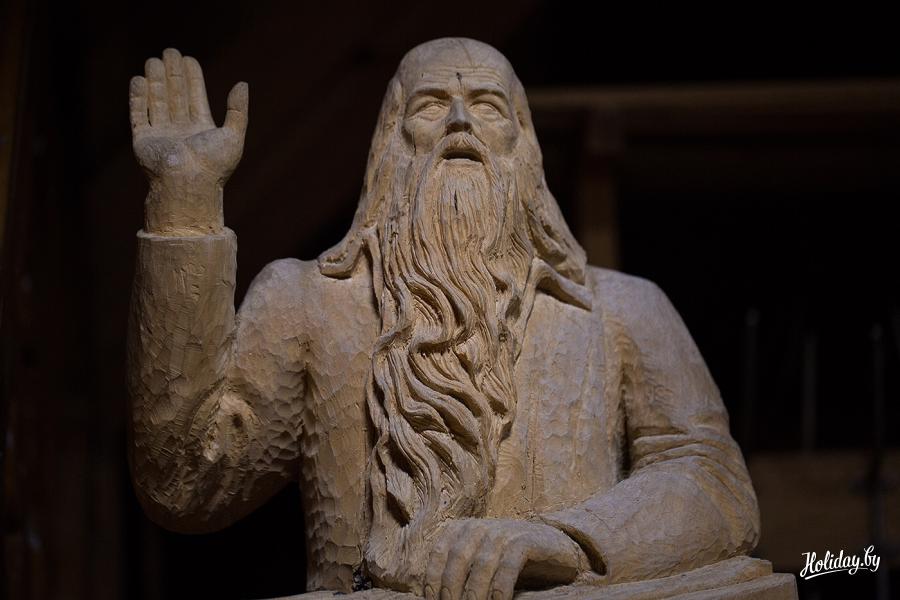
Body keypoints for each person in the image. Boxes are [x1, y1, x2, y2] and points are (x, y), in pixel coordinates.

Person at [127, 38, 760, 600]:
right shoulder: (307, 302)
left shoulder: (622, 309)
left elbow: (715, 484)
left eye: (488, 106)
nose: (460, 121)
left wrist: (564, 541)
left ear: (524, 144)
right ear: (389, 143)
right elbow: (183, 484)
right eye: (431, 105)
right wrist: (185, 201)